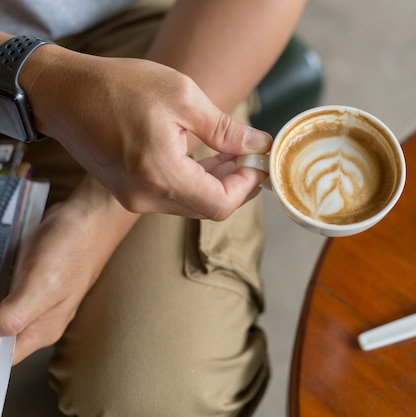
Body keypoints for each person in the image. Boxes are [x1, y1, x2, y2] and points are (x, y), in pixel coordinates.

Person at [0, 0, 306, 415]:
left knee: (160, 399)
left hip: (142, 43)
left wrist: (96, 216)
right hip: (31, 72)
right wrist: (44, 81)